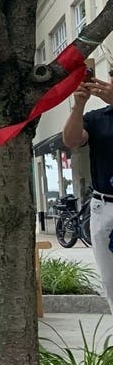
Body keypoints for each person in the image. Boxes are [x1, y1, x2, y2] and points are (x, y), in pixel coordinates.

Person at [62, 72, 113, 310]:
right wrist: (78, 105)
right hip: (103, 206)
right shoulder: (97, 118)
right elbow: (71, 140)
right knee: (109, 280)